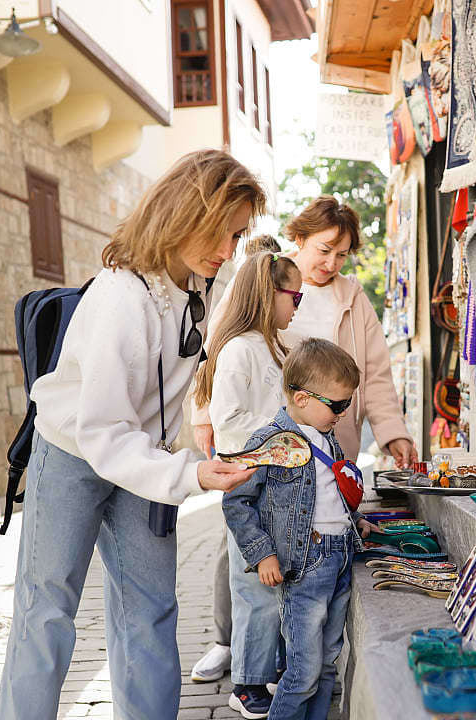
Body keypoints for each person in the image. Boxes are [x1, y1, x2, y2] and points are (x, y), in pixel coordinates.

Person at [0, 149, 262, 720]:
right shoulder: (122, 296)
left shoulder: (199, 282)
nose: (226, 251)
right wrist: (188, 473)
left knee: (152, 609)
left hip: (143, 457)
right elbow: (103, 431)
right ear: (181, 213)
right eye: (219, 232)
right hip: (73, 452)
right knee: (47, 610)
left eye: (237, 237)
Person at [190, 196, 418, 680]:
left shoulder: (353, 298)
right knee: (246, 545)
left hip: (324, 448)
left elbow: (374, 374)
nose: (331, 263)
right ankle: (228, 642)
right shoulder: (265, 276)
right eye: (325, 249)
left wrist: (392, 431)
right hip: (263, 447)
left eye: (342, 254)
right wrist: (204, 417)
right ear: (300, 238)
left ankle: (289, 660)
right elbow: (214, 350)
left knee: (306, 552)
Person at [222, 338, 378, 720]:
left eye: (348, 404)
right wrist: (263, 553)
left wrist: (354, 521)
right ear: (303, 397)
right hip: (305, 564)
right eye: (338, 405)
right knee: (303, 671)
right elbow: (236, 502)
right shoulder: (269, 442)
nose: (343, 413)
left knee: (326, 665)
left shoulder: (327, 437)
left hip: (340, 556)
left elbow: (329, 493)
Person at [190, 250, 303, 716]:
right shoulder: (238, 350)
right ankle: (246, 685)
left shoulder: (273, 346)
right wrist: (287, 427)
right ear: (266, 292)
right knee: (253, 588)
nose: (298, 303)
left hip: (275, 484)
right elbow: (229, 419)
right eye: (293, 295)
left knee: (273, 585)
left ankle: (269, 670)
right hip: (248, 485)